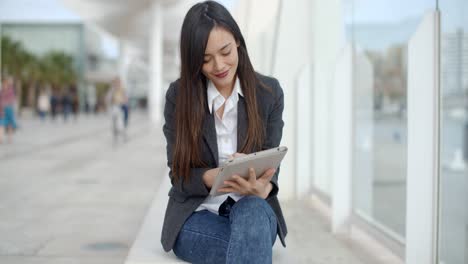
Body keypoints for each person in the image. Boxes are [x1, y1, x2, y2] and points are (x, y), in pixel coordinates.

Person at [161, 1, 287, 263]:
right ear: (194, 60)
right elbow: (178, 176)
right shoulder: (179, 96)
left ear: (238, 41)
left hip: (253, 210)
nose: (219, 65)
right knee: (252, 244)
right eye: (205, 59)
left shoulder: (269, 93)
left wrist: (260, 189)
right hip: (195, 215)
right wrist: (215, 177)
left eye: (225, 51)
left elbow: (271, 168)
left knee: (252, 215)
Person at [0, 77, 18, 143]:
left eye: (5, 83)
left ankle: (10, 138)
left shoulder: (11, 91)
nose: (4, 85)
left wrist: (6, 103)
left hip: (9, 109)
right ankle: (0, 138)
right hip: (2, 110)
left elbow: (12, 99)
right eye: (3, 83)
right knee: (1, 124)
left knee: (9, 124)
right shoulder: (1, 91)